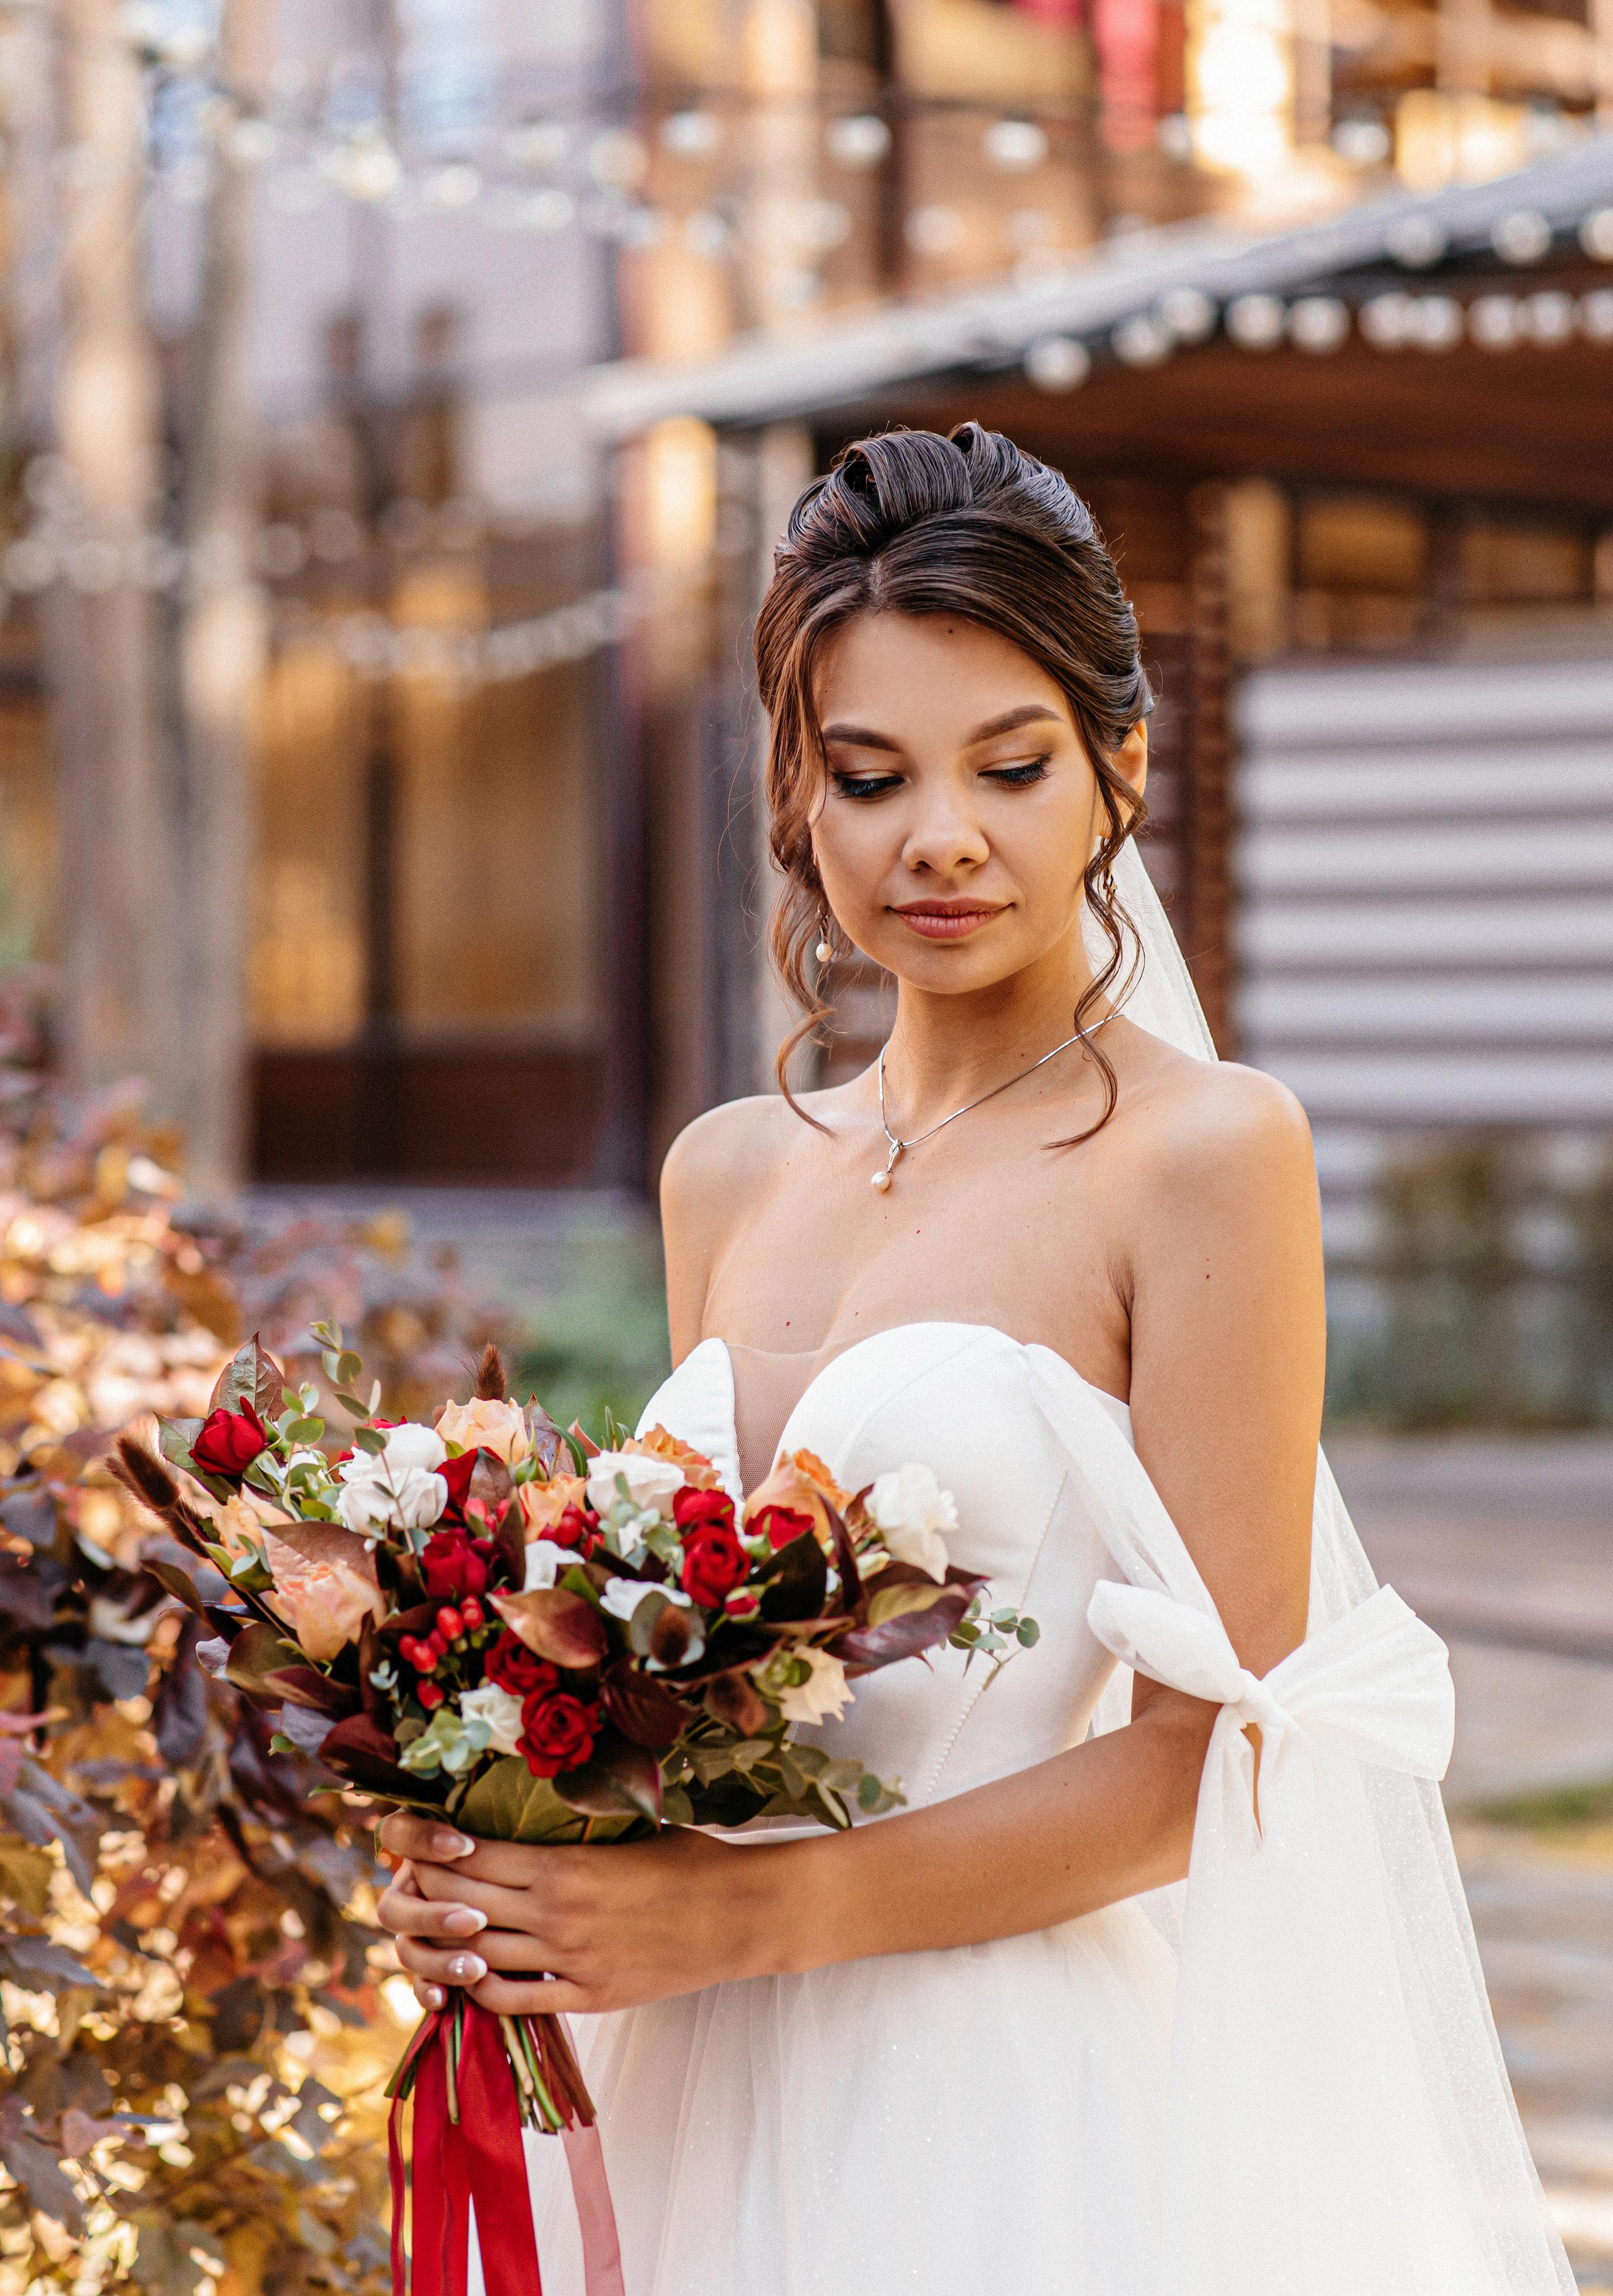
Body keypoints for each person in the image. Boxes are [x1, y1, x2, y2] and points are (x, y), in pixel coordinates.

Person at [377, 424, 1571, 2296]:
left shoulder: (1207, 1153)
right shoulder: (728, 1168)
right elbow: (699, 1687)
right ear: (798, 794)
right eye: (871, 774)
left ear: (1120, 772)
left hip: (987, 2111)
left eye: (1010, 765)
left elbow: (1222, 1763)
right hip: (682, 2080)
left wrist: (740, 1917)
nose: (942, 833)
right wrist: (510, 1836)